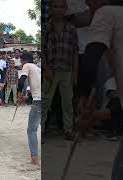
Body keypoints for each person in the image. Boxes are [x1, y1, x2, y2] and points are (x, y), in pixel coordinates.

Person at [77, 0, 123, 179]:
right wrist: (94, 115)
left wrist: (83, 98)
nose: (86, 3)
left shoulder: (106, 13)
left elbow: (90, 58)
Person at [43, 0, 78, 141]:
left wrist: (75, 74)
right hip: (50, 70)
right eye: (55, 7)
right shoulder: (46, 28)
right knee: (46, 102)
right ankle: (42, 130)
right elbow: (43, 51)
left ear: (66, 9)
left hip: (67, 70)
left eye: (61, 7)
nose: (58, 9)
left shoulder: (71, 28)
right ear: (50, 9)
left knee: (67, 103)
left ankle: (68, 130)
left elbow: (75, 52)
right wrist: (46, 68)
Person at [17, 52, 41, 165]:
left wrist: (19, 94)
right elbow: (36, 89)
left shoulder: (27, 66)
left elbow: (21, 81)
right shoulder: (37, 68)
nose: (21, 64)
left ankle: (34, 158)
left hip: (39, 102)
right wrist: (25, 97)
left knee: (31, 130)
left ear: (24, 60)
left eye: (21, 61)